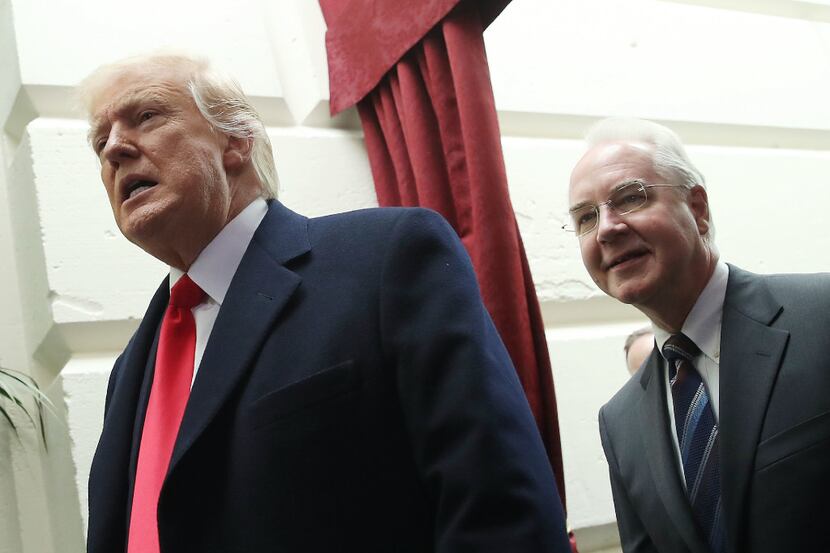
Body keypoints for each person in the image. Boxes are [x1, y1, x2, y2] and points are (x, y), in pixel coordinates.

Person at [80, 54, 570, 553]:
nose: (115, 148)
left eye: (147, 117)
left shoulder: (387, 260)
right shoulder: (131, 369)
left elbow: (502, 509)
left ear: (236, 139)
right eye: (101, 142)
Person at [566, 117, 830, 553]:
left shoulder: (819, 316)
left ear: (698, 209)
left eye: (630, 198)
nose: (607, 228)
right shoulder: (620, 422)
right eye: (585, 218)